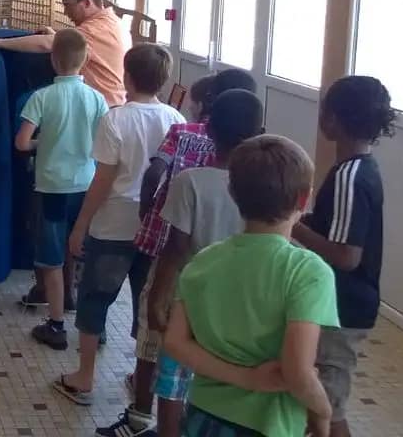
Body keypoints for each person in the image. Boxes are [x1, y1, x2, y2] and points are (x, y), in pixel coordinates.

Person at [108, 70, 259, 436]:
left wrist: (158, 296)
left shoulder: (190, 182)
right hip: (231, 294)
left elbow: (175, 249)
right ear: (258, 133)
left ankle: (142, 417)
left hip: (184, 292)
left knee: (164, 362)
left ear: (209, 129)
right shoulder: (258, 185)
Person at [165, 135, 338, 437]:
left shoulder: (203, 262)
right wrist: (323, 413)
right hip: (268, 423)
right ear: (303, 199)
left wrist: (246, 378)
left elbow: (175, 343)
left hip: (202, 417)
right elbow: (297, 373)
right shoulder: (308, 272)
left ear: (233, 193)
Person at [53, 43, 184, 406]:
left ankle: (84, 377)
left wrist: (80, 225)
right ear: (164, 80)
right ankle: (142, 377)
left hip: (113, 226)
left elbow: (103, 180)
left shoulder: (116, 120)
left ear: (127, 77)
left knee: (96, 297)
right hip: (156, 228)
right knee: (149, 302)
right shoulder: (176, 119)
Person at [292, 76, 394, 437]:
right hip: (337, 304)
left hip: (344, 308)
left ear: (334, 118)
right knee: (317, 401)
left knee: (327, 408)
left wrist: (292, 224)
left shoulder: (351, 176)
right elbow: (334, 227)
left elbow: (347, 255)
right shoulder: (356, 169)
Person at [13, 28, 109, 350]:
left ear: (53, 60)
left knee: (52, 260)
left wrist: (43, 142)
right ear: (86, 60)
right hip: (86, 187)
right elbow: (104, 144)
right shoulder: (97, 98)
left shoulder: (41, 97)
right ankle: (94, 326)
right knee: (84, 255)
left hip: (51, 187)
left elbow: (22, 143)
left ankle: (56, 325)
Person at [0, 0, 129, 106]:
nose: (66, 12)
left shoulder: (95, 29)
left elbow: (45, 45)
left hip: (101, 104)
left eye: (68, 5)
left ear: (87, 3)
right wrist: (55, 35)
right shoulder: (110, 20)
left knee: (26, 103)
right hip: (108, 99)